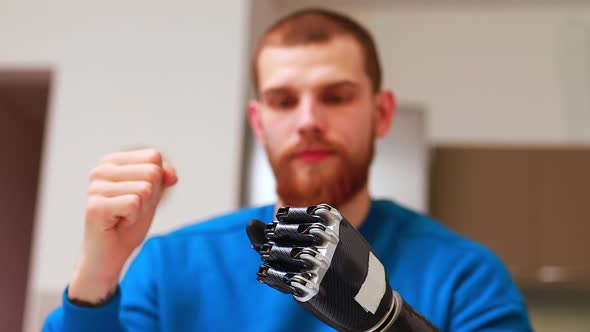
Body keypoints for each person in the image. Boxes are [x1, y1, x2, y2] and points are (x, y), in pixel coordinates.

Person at [43, 8, 533, 332]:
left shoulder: (466, 276)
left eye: (335, 97)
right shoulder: (171, 267)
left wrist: (392, 322)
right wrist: (97, 274)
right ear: (259, 122)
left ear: (381, 113)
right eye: (283, 101)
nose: (308, 122)